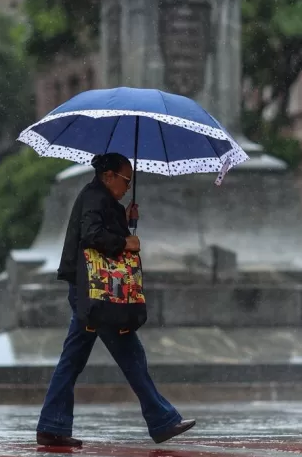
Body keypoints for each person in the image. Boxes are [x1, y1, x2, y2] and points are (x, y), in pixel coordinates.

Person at [36, 152, 195, 448]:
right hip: (96, 293)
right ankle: (162, 420)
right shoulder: (95, 197)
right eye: (126, 179)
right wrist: (125, 241)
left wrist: (124, 218)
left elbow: (99, 228)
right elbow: (92, 235)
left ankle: (52, 425)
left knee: (76, 358)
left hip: (90, 291)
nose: (127, 185)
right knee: (129, 354)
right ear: (108, 175)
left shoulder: (100, 198)